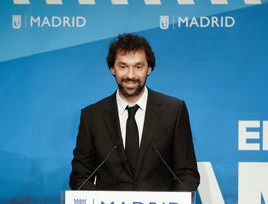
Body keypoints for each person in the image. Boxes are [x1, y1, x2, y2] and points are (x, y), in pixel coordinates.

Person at [69, 33, 200, 192]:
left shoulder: (174, 110)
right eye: (123, 66)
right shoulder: (91, 116)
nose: (130, 75)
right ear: (112, 68)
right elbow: (80, 177)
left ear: (149, 68)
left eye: (138, 67)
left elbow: (187, 173)